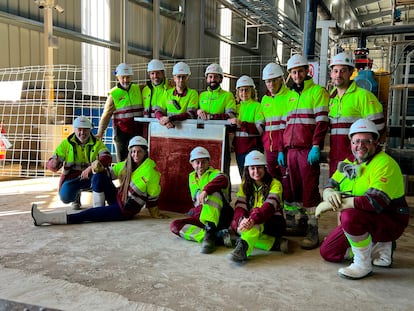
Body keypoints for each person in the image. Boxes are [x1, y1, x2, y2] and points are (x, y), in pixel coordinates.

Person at [316, 119, 409, 280]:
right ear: (351, 143)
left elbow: (374, 202)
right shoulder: (349, 163)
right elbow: (330, 184)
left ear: (377, 142)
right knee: (328, 252)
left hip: (388, 219)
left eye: (367, 141)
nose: (361, 145)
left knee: (349, 216)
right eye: (356, 141)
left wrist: (330, 206)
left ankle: (363, 263)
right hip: (363, 217)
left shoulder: (384, 164)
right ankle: (378, 246)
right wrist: (328, 193)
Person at [32, 136, 167, 225]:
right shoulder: (127, 164)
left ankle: (45, 219)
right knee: (99, 175)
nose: (135, 155)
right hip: (118, 198)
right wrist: (96, 167)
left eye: (139, 152)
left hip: (125, 210)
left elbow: (153, 195)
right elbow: (109, 172)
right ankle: (100, 208)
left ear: (145, 153)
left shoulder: (151, 171)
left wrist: (155, 213)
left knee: (86, 215)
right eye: (133, 152)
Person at [278, 54, 330, 249]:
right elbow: (284, 125)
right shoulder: (290, 96)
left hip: (307, 150)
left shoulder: (318, 92)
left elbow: (321, 122)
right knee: (292, 189)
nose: (297, 75)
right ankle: (297, 223)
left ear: (308, 71)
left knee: (309, 190)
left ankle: (312, 229)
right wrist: (283, 149)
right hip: (290, 151)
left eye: (300, 71)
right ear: (290, 74)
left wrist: (316, 145)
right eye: (293, 72)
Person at [328, 52, 385, 176]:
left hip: (357, 156)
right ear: (331, 73)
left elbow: (379, 128)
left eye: (343, 71)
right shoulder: (331, 97)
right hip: (335, 155)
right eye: (335, 71)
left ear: (350, 73)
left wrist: (365, 156)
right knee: (334, 189)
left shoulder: (363, 96)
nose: (338, 75)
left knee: (354, 191)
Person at [169, 146, 233, 254]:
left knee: (213, 194)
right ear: (192, 164)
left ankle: (210, 231)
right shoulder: (191, 177)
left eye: (203, 162)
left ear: (209, 162)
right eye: (197, 162)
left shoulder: (215, 174)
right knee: (175, 225)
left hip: (222, 216)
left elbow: (223, 179)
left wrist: (206, 190)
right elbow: (196, 197)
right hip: (203, 217)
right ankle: (213, 237)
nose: (200, 166)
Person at [228, 150, 288, 262]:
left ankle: (242, 249)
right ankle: (274, 243)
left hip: (273, 223)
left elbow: (269, 207)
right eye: (252, 168)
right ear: (247, 170)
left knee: (255, 223)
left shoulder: (275, 184)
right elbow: (240, 207)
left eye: (259, 167)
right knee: (235, 223)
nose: (256, 171)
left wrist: (252, 220)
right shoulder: (244, 185)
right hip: (253, 222)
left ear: (265, 168)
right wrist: (241, 220)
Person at [45, 116, 112, 210]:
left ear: (90, 130)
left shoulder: (97, 143)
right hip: (73, 178)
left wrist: (92, 167)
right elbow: (53, 164)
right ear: (74, 129)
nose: (82, 133)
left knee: (102, 180)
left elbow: (107, 157)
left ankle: (99, 203)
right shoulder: (66, 144)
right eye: (79, 130)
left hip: (92, 177)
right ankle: (76, 197)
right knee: (65, 196)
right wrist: (53, 163)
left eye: (85, 130)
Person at [96, 63, 144, 162]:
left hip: (138, 132)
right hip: (122, 134)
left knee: (138, 160)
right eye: (123, 77)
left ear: (131, 77)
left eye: (128, 77)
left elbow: (154, 86)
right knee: (123, 162)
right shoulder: (114, 94)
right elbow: (106, 115)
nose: (125, 80)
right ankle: (123, 178)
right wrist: (100, 133)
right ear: (118, 77)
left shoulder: (138, 89)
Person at [228, 75, 264, 177]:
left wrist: (241, 124)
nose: (244, 93)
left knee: (254, 178)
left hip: (253, 150)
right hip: (239, 150)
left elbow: (260, 129)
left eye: (246, 90)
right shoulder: (236, 107)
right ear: (238, 92)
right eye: (241, 90)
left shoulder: (257, 106)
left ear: (252, 91)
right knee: (243, 178)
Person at [154, 61, 198, 128]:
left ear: (188, 78)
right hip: (169, 128)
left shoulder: (193, 93)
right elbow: (158, 111)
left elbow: (190, 114)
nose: (181, 80)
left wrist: (170, 118)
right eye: (178, 77)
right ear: (174, 78)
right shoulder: (167, 93)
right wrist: (163, 119)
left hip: (187, 130)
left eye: (184, 77)